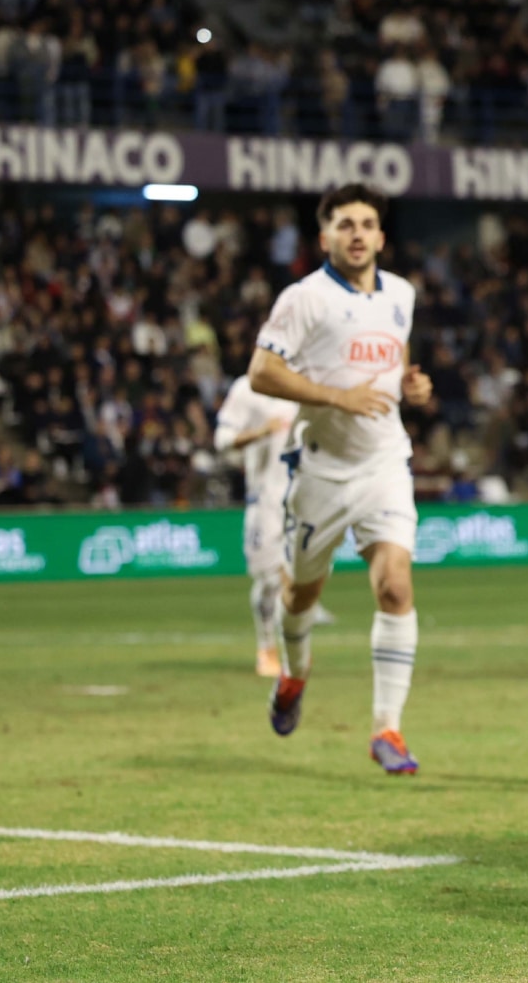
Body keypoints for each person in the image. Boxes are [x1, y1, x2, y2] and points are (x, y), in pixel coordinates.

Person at [248, 183, 433, 775]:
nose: (357, 234)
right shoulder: (304, 298)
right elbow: (261, 371)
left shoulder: (401, 293)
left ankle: (388, 729)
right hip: (321, 470)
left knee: (395, 587)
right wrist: (337, 396)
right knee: (300, 594)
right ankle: (294, 675)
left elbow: (393, 360)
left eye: (367, 224)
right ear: (324, 235)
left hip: (383, 464)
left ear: (381, 236)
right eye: (345, 224)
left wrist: (410, 387)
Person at [212, 373, 298, 677]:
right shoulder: (247, 388)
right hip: (265, 501)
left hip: (303, 497)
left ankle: (295, 651)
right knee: (271, 580)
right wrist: (260, 432)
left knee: (301, 578)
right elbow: (222, 440)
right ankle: (267, 648)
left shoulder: (306, 381)